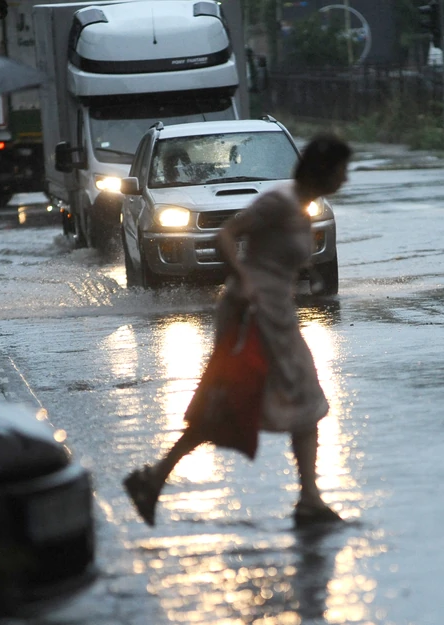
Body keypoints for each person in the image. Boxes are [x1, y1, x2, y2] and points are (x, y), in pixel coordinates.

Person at [123, 134, 352, 528]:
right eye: (341, 170)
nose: (345, 179)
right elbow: (226, 234)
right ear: (323, 169)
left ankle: (308, 499)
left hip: (276, 313)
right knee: (235, 401)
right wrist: (244, 277)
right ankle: (153, 478)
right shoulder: (278, 202)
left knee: (296, 400)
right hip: (251, 313)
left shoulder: (300, 208)